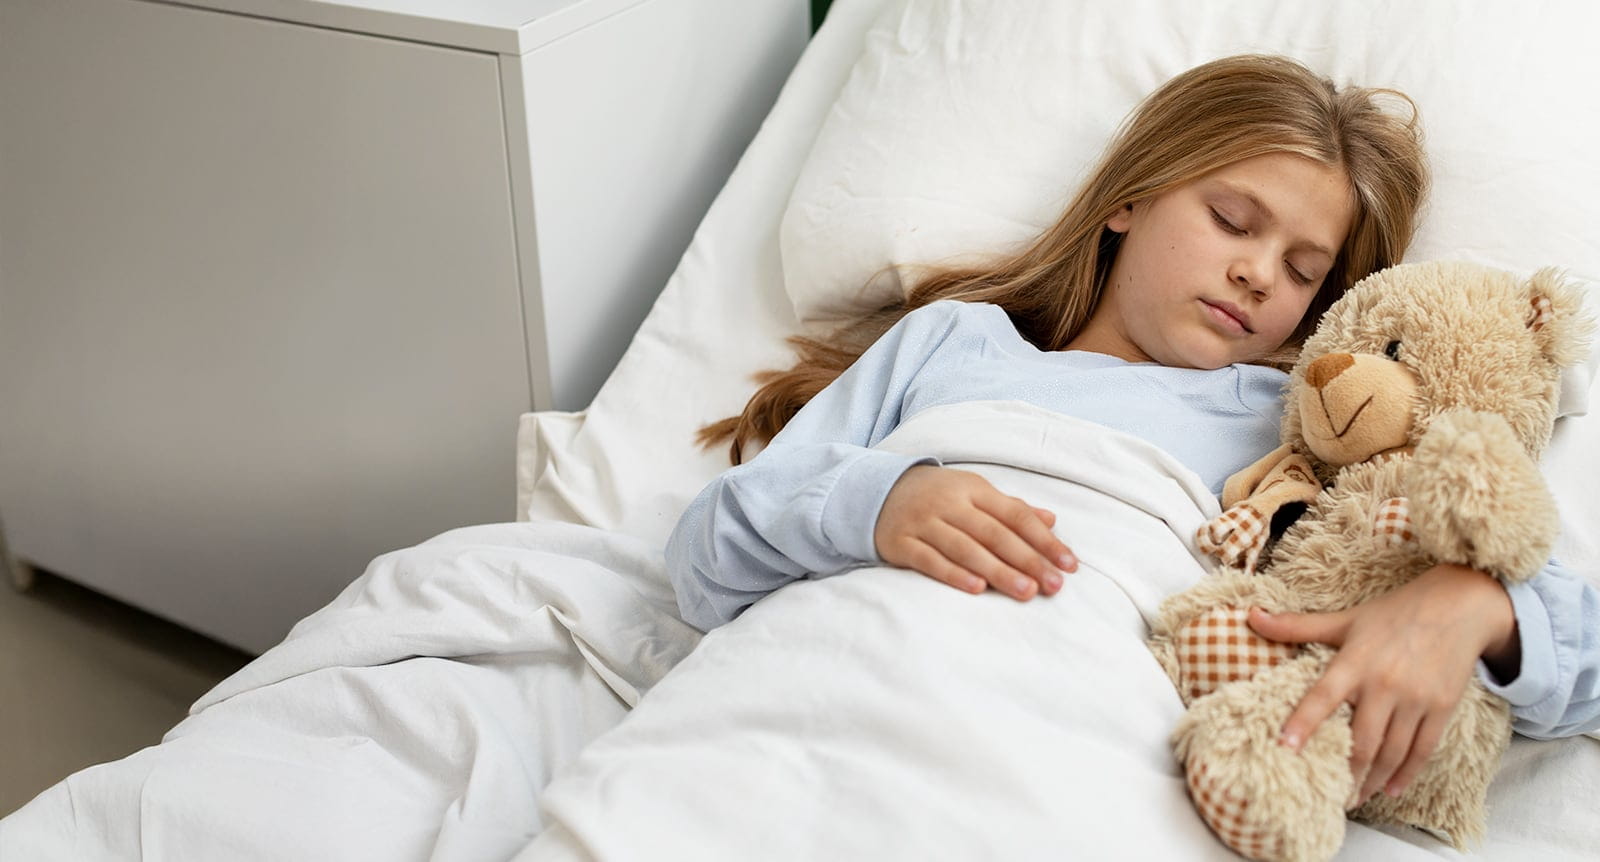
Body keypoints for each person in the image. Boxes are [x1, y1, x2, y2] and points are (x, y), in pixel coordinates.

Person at [666, 54, 1599, 816]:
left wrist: (1472, 604)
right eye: (1233, 220)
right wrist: (878, 502)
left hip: (1062, 725)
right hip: (835, 660)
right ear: (1130, 198)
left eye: (1304, 271)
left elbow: (1585, 656)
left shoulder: (1295, 422)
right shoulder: (951, 343)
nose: (1258, 275)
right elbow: (708, 554)